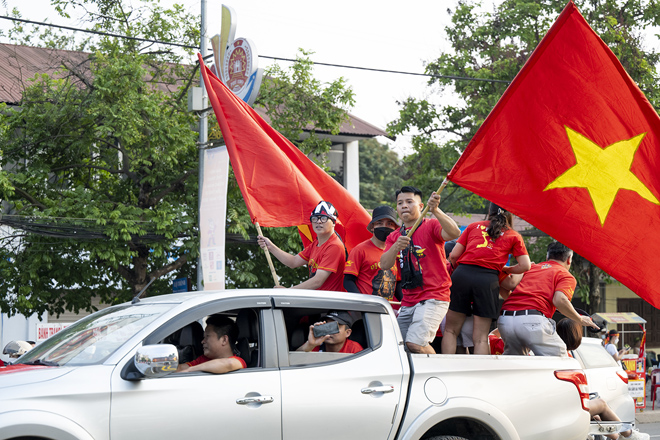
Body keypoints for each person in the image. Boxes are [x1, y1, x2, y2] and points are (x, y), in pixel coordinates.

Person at [380, 186, 461, 354]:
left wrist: (436, 210)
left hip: (434, 296)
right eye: (400, 203)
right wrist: (396, 247)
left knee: (415, 343)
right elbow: (384, 264)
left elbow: (454, 232)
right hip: (408, 301)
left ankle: (440, 375)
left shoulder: (430, 225)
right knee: (400, 349)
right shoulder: (394, 236)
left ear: (421, 206)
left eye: (409, 202)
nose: (404, 206)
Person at [442, 203, 531, 355]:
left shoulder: (474, 226)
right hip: (488, 280)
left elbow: (454, 255)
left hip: (462, 274)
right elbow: (525, 266)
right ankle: (480, 374)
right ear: (511, 215)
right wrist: (506, 269)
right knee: (481, 338)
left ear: (489, 211)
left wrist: (462, 271)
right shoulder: (514, 236)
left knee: (450, 331)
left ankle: (446, 370)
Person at [497, 241, 598, 356]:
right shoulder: (565, 274)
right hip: (532, 321)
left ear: (547, 257)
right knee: (561, 359)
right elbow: (560, 300)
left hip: (505, 320)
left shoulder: (531, 268)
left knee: (516, 365)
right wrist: (580, 319)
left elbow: (506, 287)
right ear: (569, 259)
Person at [556, 319, 649, 440]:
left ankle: (625, 436)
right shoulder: (566, 358)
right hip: (569, 407)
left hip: (568, 405)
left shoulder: (560, 354)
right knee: (601, 404)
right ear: (575, 335)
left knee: (598, 419)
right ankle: (630, 435)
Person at [258, 201, 346, 291]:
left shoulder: (334, 246)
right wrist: (270, 246)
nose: (318, 222)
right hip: (318, 301)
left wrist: (288, 291)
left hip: (329, 303)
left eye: (324, 218)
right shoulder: (316, 244)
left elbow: (317, 281)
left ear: (334, 222)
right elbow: (293, 262)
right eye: (315, 218)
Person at [344, 205, 401, 305]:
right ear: (372, 227)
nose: (384, 227)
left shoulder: (396, 252)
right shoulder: (359, 250)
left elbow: (397, 284)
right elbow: (348, 281)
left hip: (387, 311)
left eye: (389, 224)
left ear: (395, 228)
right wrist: (361, 304)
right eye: (380, 223)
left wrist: (406, 304)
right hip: (365, 310)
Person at [177, 315, 247, 374]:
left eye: (207, 336)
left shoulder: (238, 361)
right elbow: (180, 368)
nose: (202, 341)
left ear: (224, 340)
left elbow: (229, 363)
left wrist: (191, 370)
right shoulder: (203, 359)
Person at [297, 311, 363, 353]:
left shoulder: (354, 350)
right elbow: (295, 361)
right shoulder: (317, 343)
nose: (329, 330)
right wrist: (310, 345)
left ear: (347, 333)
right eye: (327, 325)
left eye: (334, 327)